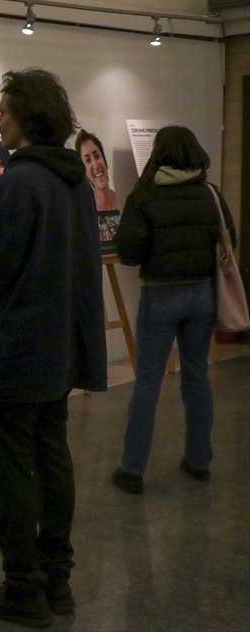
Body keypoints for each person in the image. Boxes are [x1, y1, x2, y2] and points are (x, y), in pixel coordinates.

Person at [0, 67, 106, 627]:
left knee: (12, 469)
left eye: (5, 112)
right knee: (52, 458)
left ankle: (22, 586)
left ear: (28, 118)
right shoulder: (73, 183)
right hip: (57, 351)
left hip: (14, 354)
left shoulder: (18, 184)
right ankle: (55, 579)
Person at [111, 126, 236, 494]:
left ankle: (132, 470)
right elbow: (230, 240)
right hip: (202, 295)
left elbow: (129, 253)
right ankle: (199, 461)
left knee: (148, 381)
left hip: (160, 297)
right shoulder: (210, 194)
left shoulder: (144, 197)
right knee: (197, 377)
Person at [74, 130, 119, 212]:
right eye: (88, 160)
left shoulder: (122, 199)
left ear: (104, 158)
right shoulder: (85, 210)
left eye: (97, 156)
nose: (95, 166)